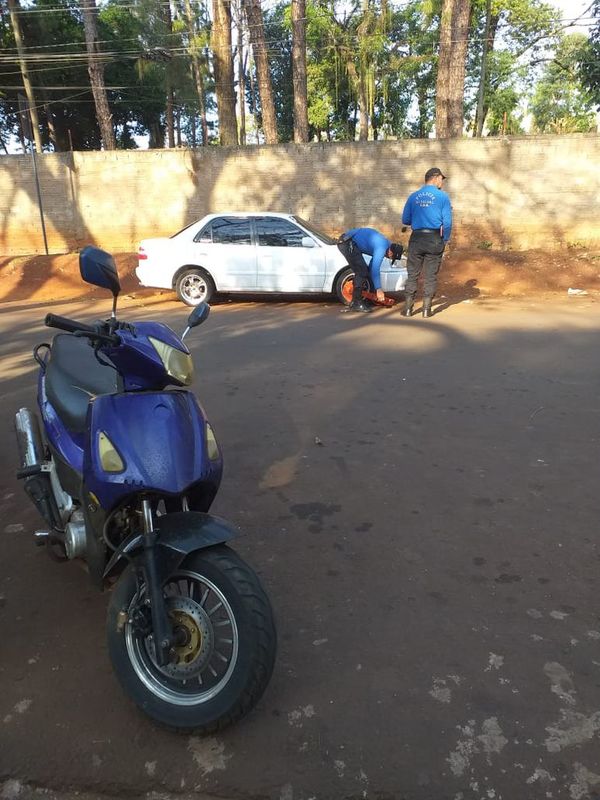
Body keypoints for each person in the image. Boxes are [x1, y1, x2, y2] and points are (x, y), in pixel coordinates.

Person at [401, 167, 452, 318]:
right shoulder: (442, 197)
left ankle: (409, 309)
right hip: (434, 238)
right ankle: (426, 310)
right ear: (436, 178)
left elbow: (405, 220)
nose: (442, 182)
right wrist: (445, 239)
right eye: (441, 179)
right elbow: (447, 223)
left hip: (416, 238)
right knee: (430, 276)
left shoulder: (413, 196)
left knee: (412, 274)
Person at [337, 227, 404, 313]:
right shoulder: (382, 248)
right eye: (391, 257)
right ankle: (356, 303)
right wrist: (379, 289)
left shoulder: (387, 244)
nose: (389, 258)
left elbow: (372, 267)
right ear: (391, 252)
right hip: (347, 243)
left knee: (364, 271)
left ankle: (358, 299)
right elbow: (375, 269)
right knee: (361, 272)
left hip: (349, 241)